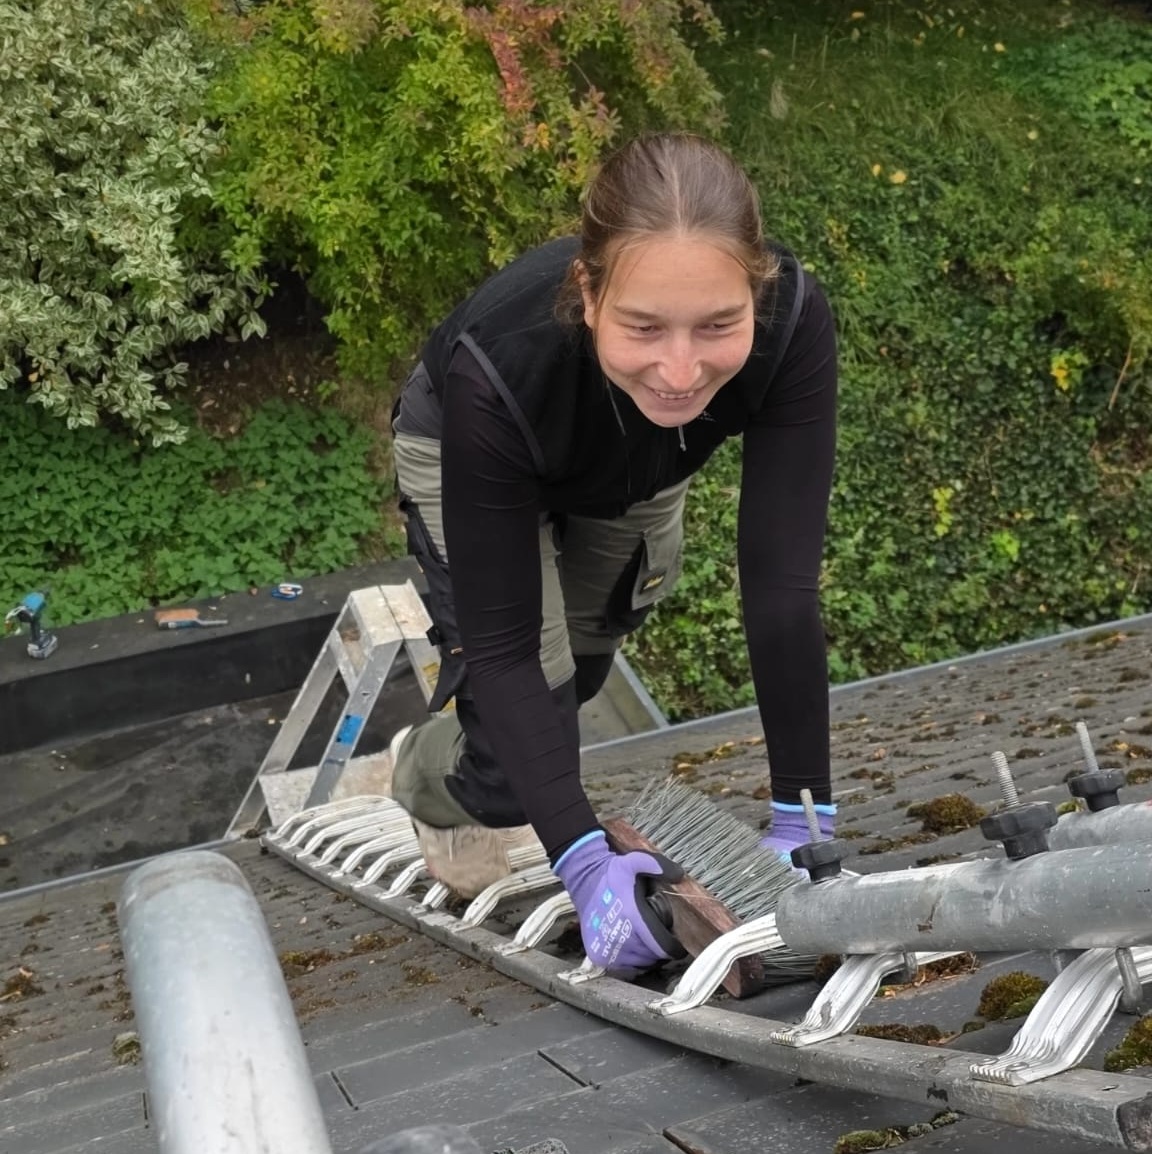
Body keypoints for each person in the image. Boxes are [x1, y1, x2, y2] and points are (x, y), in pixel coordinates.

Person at [389, 132, 837, 974]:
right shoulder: (497, 366)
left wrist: (802, 815)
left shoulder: (793, 325)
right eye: (643, 327)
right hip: (477, 450)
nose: (680, 368)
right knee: (523, 751)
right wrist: (581, 860)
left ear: (758, 292)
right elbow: (507, 649)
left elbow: (780, 588)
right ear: (587, 293)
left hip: (633, 470)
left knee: (583, 675)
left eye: (717, 326)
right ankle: (423, 773)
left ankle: (524, 762)